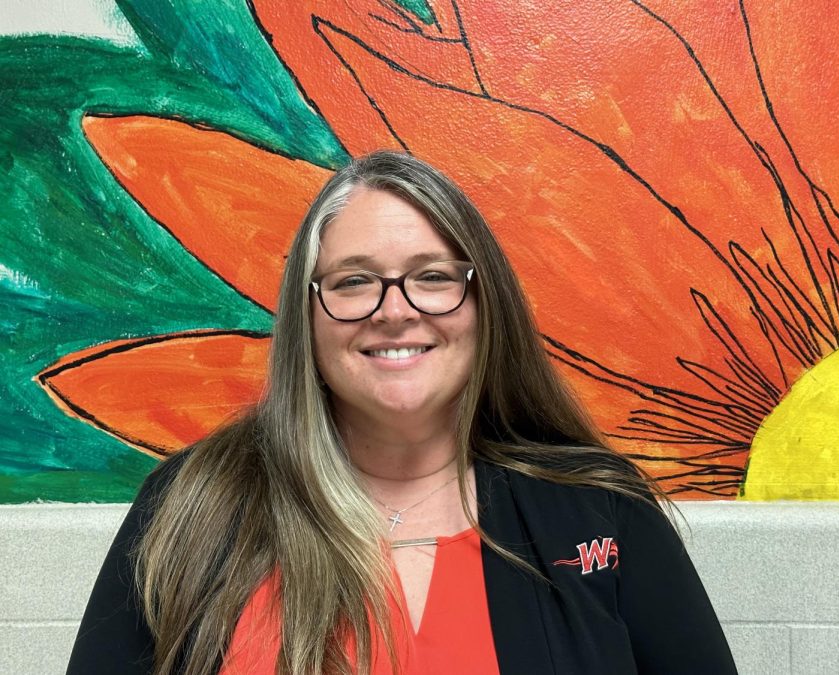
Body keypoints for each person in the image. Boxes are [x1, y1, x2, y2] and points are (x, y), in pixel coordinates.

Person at [67, 150, 736, 674]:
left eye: (433, 276)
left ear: (484, 304)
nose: (396, 310)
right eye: (355, 280)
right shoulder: (192, 505)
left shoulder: (598, 511)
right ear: (308, 313)